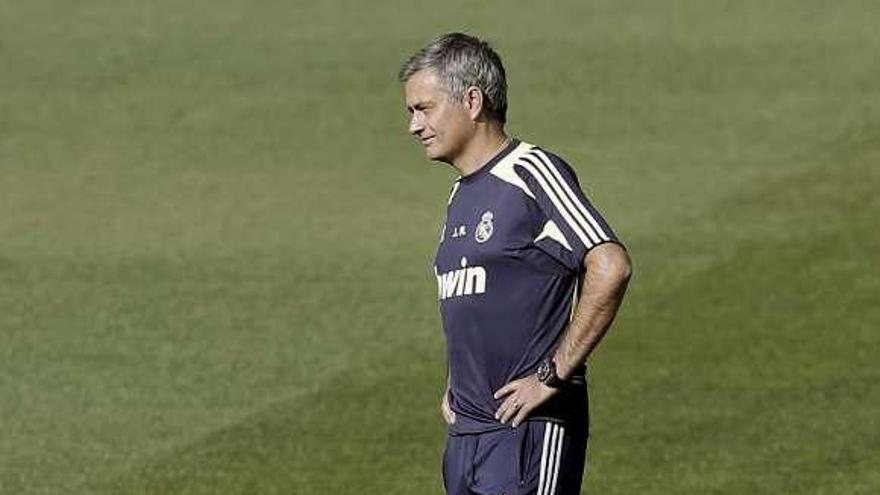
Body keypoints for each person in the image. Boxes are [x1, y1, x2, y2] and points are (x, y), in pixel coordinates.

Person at [399, 32, 632, 495]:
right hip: (469, 435)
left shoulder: (531, 172)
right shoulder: (461, 194)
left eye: (423, 108)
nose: (413, 125)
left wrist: (552, 375)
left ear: (471, 100)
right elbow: (479, 296)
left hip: (527, 429)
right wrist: (456, 382)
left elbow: (610, 265)